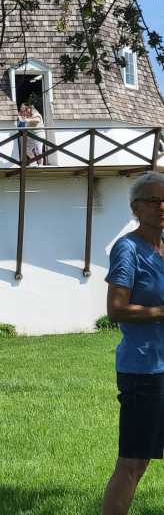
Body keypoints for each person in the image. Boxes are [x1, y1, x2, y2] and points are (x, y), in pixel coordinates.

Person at [101, 171, 164, 515]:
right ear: (135, 208)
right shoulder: (128, 248)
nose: (161, 206)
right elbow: (116, 309)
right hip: (144, 371)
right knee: (133, 463)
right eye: (153, 200)